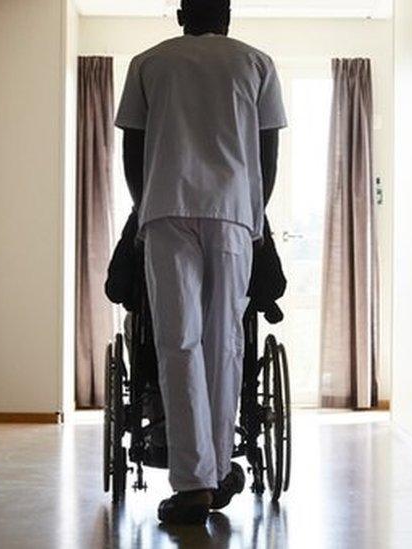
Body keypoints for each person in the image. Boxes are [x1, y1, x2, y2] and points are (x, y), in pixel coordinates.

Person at [114, 0, 286, 526]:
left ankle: (193, 482)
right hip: (233, 211)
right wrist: (254, 218)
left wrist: (144, 210)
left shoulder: (148, 62)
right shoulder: (256, 63)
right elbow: (268, 154)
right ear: (228, 14)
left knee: (177, 340)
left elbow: (133, 151)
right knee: (225, 340)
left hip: (167, 207)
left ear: (181, 12)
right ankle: (214, 472)